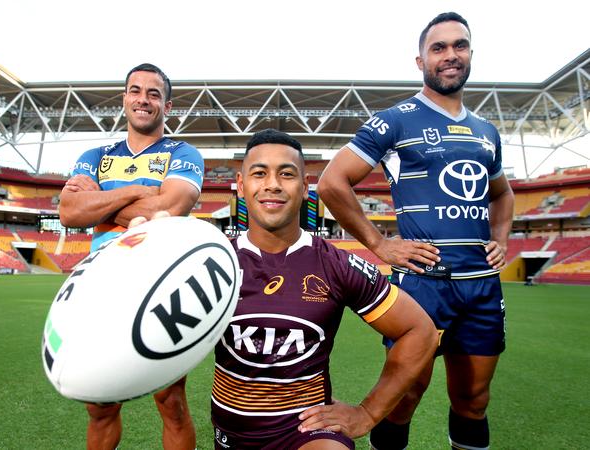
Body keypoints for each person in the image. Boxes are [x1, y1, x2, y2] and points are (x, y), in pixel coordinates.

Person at [317, 12, 515, 450]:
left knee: (474, 399)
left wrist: (500, 239)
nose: (450, 55)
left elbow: (503, 195)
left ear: (470, 54)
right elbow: (332, 182)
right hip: (424, 286)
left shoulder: (487, 132)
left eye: (459, 46)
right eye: (439, 48)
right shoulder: (396, 120)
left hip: (482, 285)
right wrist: (380, 244)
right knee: (404, 397)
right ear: (420, 60)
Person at [209, 129, 437, 449]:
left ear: (304, 188)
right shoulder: (210, 262)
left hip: (307, 428)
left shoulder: (336, 265)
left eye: (286, 174)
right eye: (260, 173)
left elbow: (420, 331)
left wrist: (368, 413)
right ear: (241, 184)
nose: (273, 184)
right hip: (233, 432)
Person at [59, 63, 203, 450]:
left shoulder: (182, 152)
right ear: (124, 99)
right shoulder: (96, 154)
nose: (143, 99)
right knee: (100, 405)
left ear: (167, 106)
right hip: (99, 284)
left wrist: (101, 201)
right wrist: (138, 191)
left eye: (153, 94)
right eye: (135, 91)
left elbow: (170, 208)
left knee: (170, 402)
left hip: (157, 281)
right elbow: (70, 212)